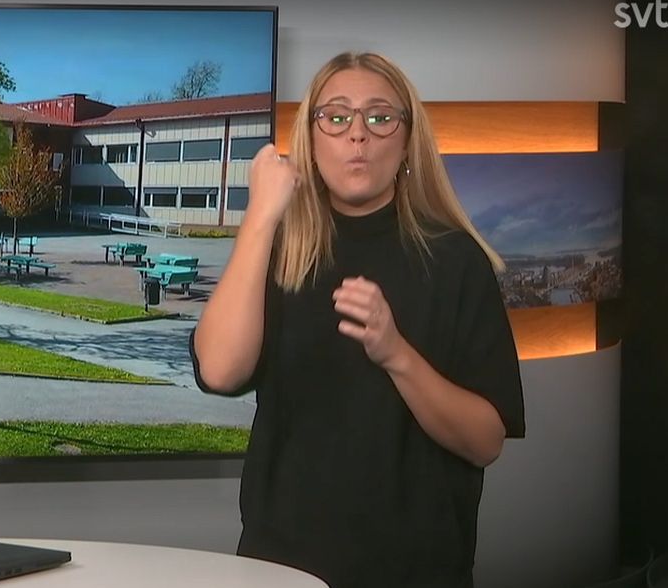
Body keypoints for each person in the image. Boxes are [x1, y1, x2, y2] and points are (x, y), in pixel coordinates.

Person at [189, 52, 525, 588]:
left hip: (418, 569)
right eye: (337, 116)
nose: (358, 134)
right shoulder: (279, 250)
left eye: (380, 117)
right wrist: (261, 217)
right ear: (311, 137)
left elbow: (485, 441)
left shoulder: (456, 259)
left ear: (407, 140)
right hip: (280, 565)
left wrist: (396, 354)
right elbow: (220, 370)